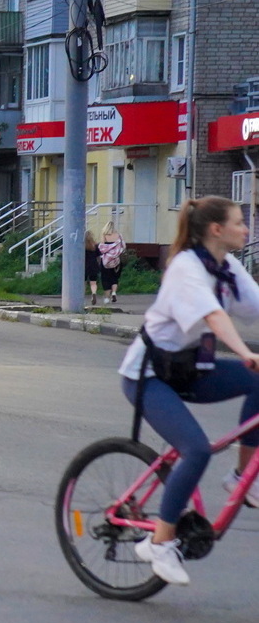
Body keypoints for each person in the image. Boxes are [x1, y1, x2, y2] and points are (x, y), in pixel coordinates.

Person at [119, 196, 259, 586]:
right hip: (148, 374)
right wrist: (246, 352)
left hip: (190, 370)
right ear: (217, 229)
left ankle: (243, 476)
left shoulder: (226, 267)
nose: (246, 229)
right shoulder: (186, 268)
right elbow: (213, 317)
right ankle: (160, 542)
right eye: (239, 222)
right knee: (197, 448)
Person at [98, 223, 126, 304]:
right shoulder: (119, 236)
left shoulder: (104, 235)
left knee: (106, 278)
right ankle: (114, 293)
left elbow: (102, 249)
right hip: (117, 261)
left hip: (106, 261)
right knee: (114, 278)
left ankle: (107, 298)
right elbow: (123, 246)